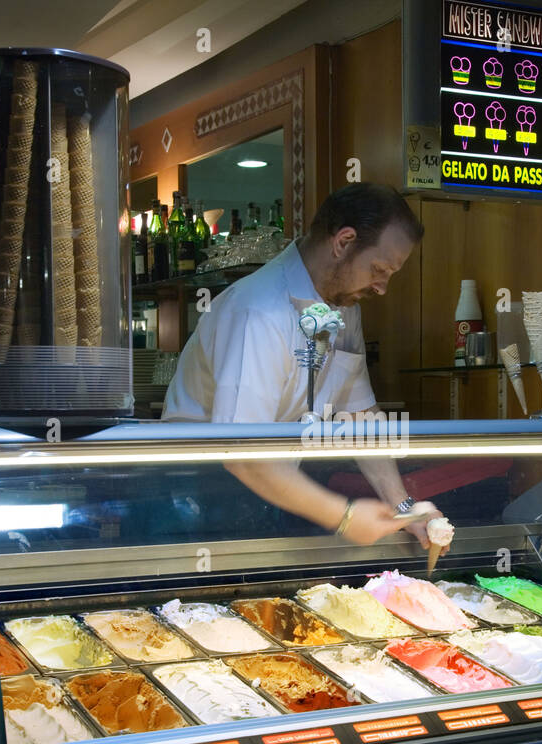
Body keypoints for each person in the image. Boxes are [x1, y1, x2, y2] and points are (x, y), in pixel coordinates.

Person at [162, 183, 445, 549]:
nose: (382, 288)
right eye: (379, 269)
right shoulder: (259, 310)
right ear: (343, 241)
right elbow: (241, 454)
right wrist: (343, 517)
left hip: (272, 488)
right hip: (196, 497)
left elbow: (358, 416)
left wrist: (404, 508)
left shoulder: (345, 309)